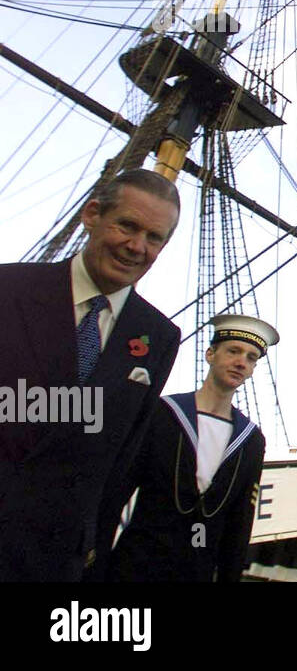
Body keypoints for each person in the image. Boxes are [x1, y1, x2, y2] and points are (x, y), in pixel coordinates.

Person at [0, 168, 182, 581]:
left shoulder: (158, 337)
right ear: (92, 214)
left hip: (54, 558)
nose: (137, 247)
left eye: (154, 238)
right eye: (127, 226)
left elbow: (122, 462)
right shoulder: (8, 290)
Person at [103, 314, 273, 582]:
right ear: (210, 354)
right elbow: (118, 488)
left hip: (195, 571)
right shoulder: (162, 414)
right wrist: (97, 556)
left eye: (251, 358)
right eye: (233, 351)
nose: (241, 362)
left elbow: (240, 521)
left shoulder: (251, 440)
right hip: (137, 564)